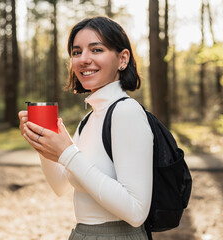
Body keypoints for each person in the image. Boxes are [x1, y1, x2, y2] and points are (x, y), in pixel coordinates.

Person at [19, 16, 153, 240]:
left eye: (96, 49)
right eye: (76, 52)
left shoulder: (126, 112)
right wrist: (43, 144)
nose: (83, 59)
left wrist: (67, 153)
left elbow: (136, 211)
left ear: (123, 59)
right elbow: (60, 186)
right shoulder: (89, 120)